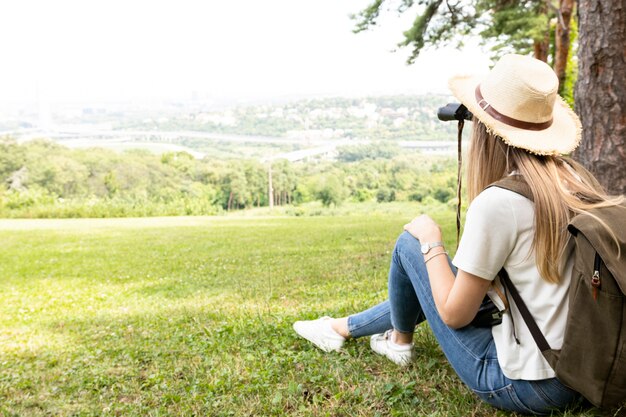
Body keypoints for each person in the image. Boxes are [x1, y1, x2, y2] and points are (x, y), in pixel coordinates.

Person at [292, 54, 624, 415]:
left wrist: (431, 241)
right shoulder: (573, 180)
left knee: (411, 244)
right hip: (583, 372)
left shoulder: (500, 203)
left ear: (484, 131)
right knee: (446, 275)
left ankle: (399, 341)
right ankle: (343, 328)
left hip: (527, 386)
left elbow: (454, 314)